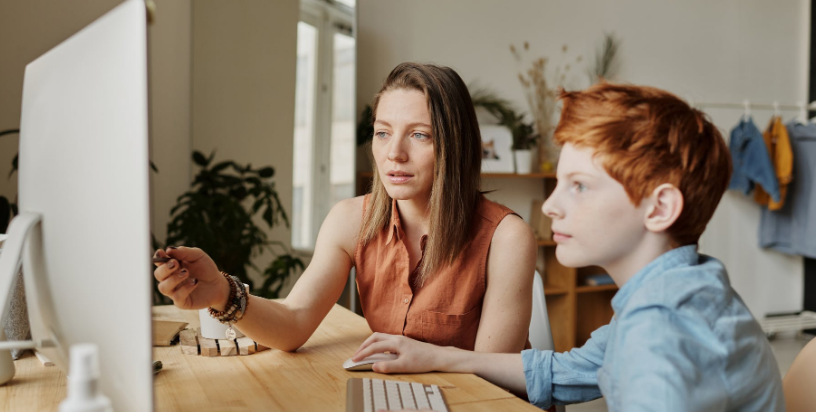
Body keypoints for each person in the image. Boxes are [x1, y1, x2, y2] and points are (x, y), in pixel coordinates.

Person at [351, 83, 786, 411]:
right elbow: (564, 370)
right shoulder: (678, 290)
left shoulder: (661, 332)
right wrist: (435, 356)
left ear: (660, 208)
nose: (553, 207)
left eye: (579, 187)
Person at [153, 62, 537, 354]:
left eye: (419, 135)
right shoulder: (351, 220)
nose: (394, 153)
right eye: (383, 132)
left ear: (456, 146)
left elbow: (490, 381)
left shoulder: (507, 238)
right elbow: (293, 323)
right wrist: (222, 292)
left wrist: (422, 360)